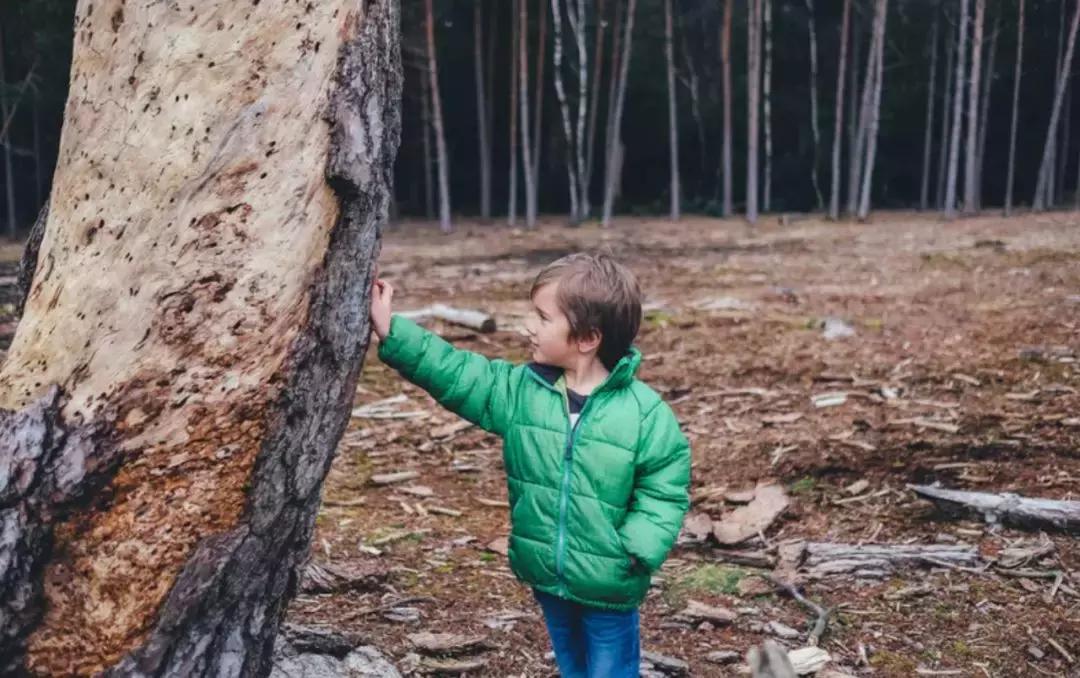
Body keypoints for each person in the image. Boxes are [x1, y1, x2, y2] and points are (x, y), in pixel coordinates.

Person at [370, 252, 691, 678]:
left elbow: (665, 485)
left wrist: (635, 548)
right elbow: (457, 373)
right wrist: (394, 331)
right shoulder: (522, 392)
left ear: (587, 338)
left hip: (609, 579)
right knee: (572, 665)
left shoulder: (644, 413)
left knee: (612, 671)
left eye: (542, 317)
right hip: (547, 574)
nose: (528, 325)